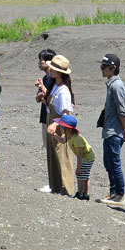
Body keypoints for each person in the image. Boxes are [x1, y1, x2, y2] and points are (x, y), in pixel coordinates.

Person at [96, 54, 125, 207]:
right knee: (108, 163)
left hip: (114, 132)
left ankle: (119, 195)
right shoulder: (112, 84)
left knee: (114, 163)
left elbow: (122, 111)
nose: (101, 69)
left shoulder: (116, 86)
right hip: (110, 131)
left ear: (113, 68)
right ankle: (113, 193)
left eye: (104, 67)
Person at [45, 55, 75, 196]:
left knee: (62, 158)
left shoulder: (63, 91)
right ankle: (56, 187)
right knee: (54, 157)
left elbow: (66, 114)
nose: (50, 70)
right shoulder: (55, 86)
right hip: (52, 127)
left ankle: (66, 190)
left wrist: (55, 124)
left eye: (53, 68)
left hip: (59, 128)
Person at [51, 115, 95, 200]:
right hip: (88, 156)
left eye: (62, 127)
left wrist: (78, 168)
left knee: (80, 175)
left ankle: (80, 194)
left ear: (68, 128)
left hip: (87, 157)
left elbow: (80, 154)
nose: (60, 128)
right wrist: (54, 135)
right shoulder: (68, 135)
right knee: (85, 175)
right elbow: (62, 141)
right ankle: (86, 194)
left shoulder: (76, 138)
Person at [35, 49, 57, 192]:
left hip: (52, 119)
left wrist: (42, 90)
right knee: (49, 150)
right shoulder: (45, 78)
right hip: (45, 117)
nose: (39, 63)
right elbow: (40, 98)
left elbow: (50, 99)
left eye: (41, 60)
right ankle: (52, 182)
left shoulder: (53, 79)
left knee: (53, 150)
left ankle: (54, 184)